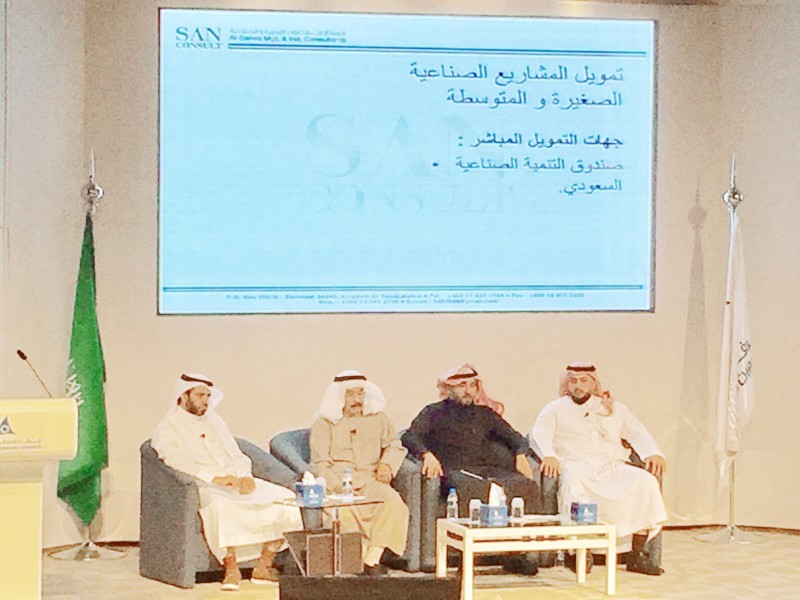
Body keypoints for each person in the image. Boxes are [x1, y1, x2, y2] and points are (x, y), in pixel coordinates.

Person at [151, 373, 303, 591]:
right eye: (200, 395)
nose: (206, 400)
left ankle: (264, 566)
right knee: (220, 506)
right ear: (184, 396)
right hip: (204, 484)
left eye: (207, 396)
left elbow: (236, 453)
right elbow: (174, 460)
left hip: (236, 480)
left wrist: (245, 476)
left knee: (285, 499)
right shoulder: (168, 426)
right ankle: (231, 568)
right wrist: (215, 478)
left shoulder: (214, 420)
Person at [529, 362, 668, 575]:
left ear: (594, 383)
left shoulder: (612, 408)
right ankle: (580, 552)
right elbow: (539, 434)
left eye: (583, 380)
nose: (578, 385)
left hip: (612, 467)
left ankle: (639, 554)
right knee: (573, 486)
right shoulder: (555, 408)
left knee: (645, 481)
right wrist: (548, 455)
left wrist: (652, 452)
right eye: (573, 381)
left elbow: (637, 432)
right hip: (576, 466)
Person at [402, 363, 539, 575]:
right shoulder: (433, 412)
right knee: (472, 488)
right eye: (462, 385)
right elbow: (409, 436)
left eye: (472, 385)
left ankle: (516, 554)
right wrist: (426, 455)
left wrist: (521, 454)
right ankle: (466, 556)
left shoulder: (485, 414)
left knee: (525, 485)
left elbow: (515, 437)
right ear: (449, 388)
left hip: (486, 469)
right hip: (453, 470)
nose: (468, 390)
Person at [309, 370, 410, 576]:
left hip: (370, 480)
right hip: (337, 483)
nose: (357, 400)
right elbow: (320, 464)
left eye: (360, 393)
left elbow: (394, 445)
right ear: (339, 397)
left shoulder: (379, 419)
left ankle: (372, 559)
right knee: (342, 513)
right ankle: (357, 563)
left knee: (393, 501)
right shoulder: (324, 423)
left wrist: (386, 465)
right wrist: (339, 487)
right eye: (350, 394)